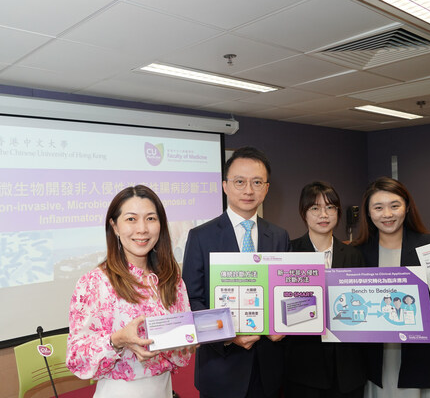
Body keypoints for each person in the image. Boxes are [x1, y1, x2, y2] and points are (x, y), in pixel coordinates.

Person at [182, 146, 290, 398]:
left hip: (268, 370)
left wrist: (285, 324)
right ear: (225, 186)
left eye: (257, 182)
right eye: (240, 182)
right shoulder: (200, 236)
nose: (248, 190)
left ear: (266, 188)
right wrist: (228, 336)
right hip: (220, 368)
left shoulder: (279, 236)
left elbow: (285, 293)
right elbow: (191, 300)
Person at [66, 185, 191, 398]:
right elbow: (76, 358)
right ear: (114, 226)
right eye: (131, 219)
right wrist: (117, 340)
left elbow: (182, 356)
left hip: (164, 389)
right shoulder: (95, 282)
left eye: (150, 219)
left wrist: (188, 339)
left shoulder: (171, 279)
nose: (142, 229)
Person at [353, 176, 430, 398]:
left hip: (424, 354)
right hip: (378, 356)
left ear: (407, 207)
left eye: (395, 206)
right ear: (368, 213)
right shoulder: (358, 253)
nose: (387, 214)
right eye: (378, 207)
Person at [285, 181, 367, 398]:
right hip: (304, 368)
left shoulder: (354, 255)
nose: (323, 214)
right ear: (303, 213)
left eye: (330, 207)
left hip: (347, 370)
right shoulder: (289, 253)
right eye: (315, 208)